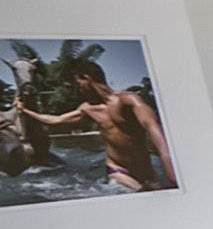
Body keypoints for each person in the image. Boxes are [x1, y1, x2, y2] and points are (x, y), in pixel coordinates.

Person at [19, 58, 178, 193]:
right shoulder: (87, 108)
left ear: (87, 79)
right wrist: (25, 110)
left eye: (78, 83)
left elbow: (159, 141)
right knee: (139, 194)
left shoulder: (128, 101)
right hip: (117, 169)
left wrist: (172, 175)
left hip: (145, 171)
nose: (78, 88)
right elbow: (55, 120)